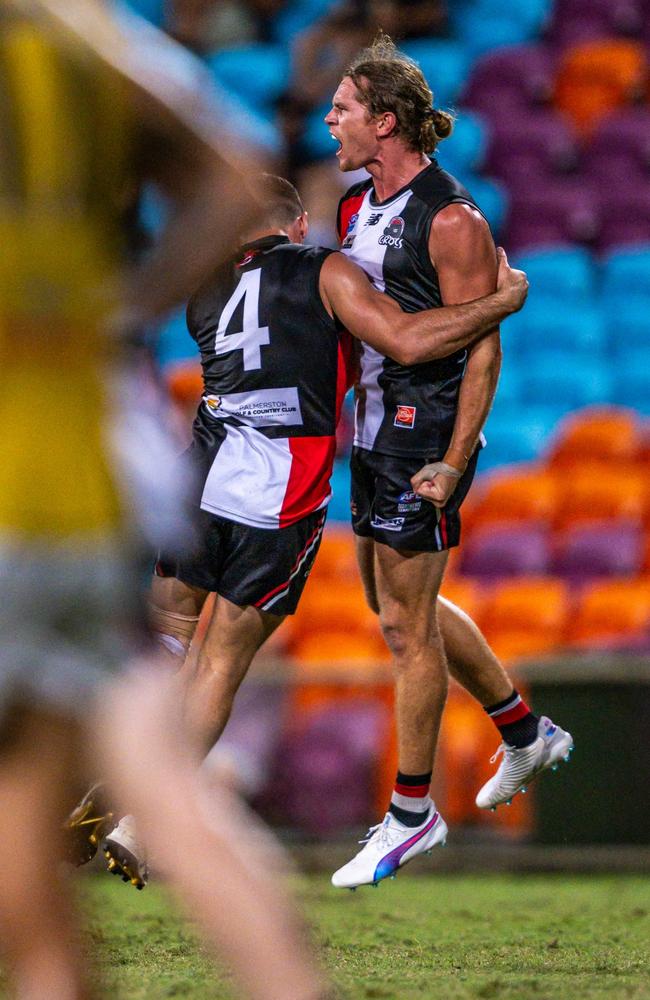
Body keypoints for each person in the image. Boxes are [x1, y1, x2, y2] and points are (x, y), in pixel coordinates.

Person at [0, 2, 328, 997]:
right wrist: (125, 311)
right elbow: (234, 175)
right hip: (87, 462)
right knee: (72, 792)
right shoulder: (78, 40)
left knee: (46, 814)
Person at [99, 173, 529, 878]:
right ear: (297, 226)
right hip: (279, 489)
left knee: (169, 644)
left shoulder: (205, 290)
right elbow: (407, 341)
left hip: (201, 477)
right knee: (221, 664)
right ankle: (144, 819)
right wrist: (498, 302)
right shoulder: (323, 267)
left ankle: (104, 766)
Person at [324, 35, 573, 890]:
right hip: (373, 428)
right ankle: (524, 731)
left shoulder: (454, 217)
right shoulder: (359, 208)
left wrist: (456, 457)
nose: (331, 121)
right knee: (395, 606)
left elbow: (482, 350)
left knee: (403, 625)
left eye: (345, 109)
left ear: (385, 121)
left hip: (425, 433)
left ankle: (410, 812)